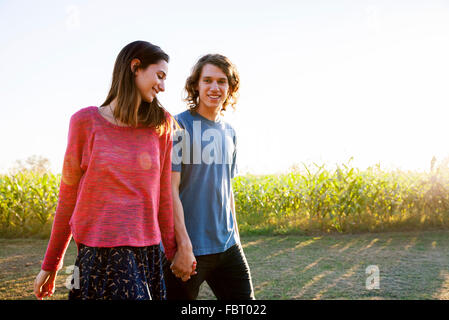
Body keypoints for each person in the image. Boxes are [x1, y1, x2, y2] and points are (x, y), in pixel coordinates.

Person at [33, 40, 177, 300]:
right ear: (135, 67)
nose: (163, 86)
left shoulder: (161, 125)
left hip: (147, 255)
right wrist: (51, 264)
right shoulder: (84, 123)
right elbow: (68, 197)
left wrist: (174, 251)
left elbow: (163, 196)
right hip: (96, 257)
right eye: (160, 75)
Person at [163, 54, 255, 300]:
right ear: (196, 85)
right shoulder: (177, 126)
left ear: (230, 87)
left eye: (222, 81)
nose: (215, 87)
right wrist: (182, 246)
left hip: (228, 248)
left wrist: (235, 237)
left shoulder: (230, 132)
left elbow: (227, 190)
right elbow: (170, 190)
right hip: (189, 250)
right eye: (208, 81)